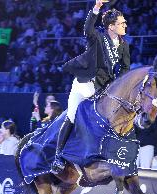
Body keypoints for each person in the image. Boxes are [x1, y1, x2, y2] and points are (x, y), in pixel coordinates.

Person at [51, 0, 130, 174]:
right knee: (71, 117)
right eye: (121, 23)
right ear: (111, 26)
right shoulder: (98, 37)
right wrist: (96, 7)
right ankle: (57, 158)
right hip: (83, 84)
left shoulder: (124, 46)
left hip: (101, 88)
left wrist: (120, 86)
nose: (125, 25)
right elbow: (87, 29)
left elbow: (125, 69)